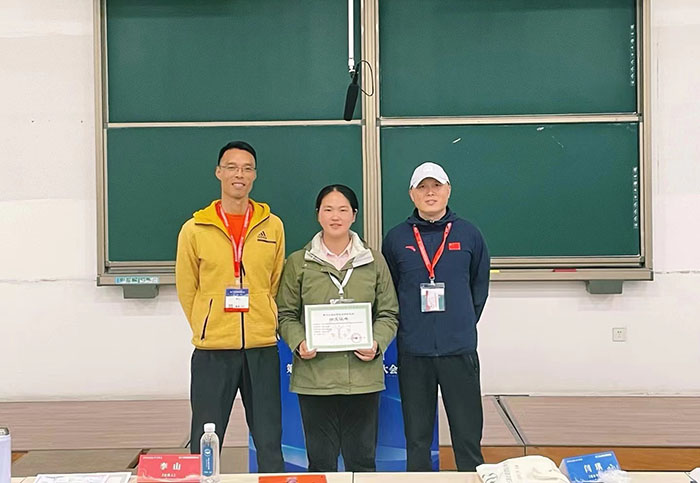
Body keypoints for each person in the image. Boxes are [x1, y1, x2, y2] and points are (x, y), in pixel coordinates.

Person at [175, 140, 285, 472]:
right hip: (213, 350)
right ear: (219, 172)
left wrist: (263, 315)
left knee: (269, 438)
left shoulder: (272, 226)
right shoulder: (194, 229)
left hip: (261, 347)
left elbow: (274, 281)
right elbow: (187, 287)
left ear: (255, 175)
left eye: (247, 168)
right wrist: (206, 325)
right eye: (232, 167)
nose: (240, 174)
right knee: (205, 437)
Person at [276, 184, 399, 472]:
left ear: (354, 215)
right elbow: (285, 314)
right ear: (318, 214)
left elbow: (389, 313)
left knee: (362, 463)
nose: (335, 216)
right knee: (320, 464)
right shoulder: (299, 262)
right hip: (315, 379)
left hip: (363, 378)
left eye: (343, 210)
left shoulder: (373, 260)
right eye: (328, 209)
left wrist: (376, 343)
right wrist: (299, 343)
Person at [381, 162, 490, 472]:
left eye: (436, 186)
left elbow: (478, 288)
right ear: (411, 194)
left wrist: (460, 323)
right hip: (414, 352)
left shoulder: (469, 234)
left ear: (448, 190)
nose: (430, 193)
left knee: (467, 436)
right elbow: (390, 291)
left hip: (459, 350)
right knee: (416, 438)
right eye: (422, 187)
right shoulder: (396, 238)